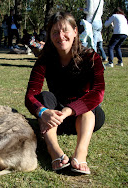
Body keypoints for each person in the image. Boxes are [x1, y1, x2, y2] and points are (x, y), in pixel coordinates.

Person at [25, 12, 105, 175]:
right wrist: (43, 111)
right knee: (45, 97)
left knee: (89, 108)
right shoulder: (44, 60)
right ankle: (54, 150)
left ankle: (80, 154)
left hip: (84, 119)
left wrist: (69, 110)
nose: (60, 36)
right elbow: (31, 95)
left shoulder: (91, 58)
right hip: (55, 117)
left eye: (65, 30)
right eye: (55, 32)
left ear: (75, 31)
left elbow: (98, 92)